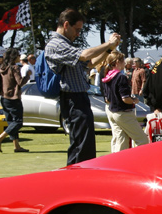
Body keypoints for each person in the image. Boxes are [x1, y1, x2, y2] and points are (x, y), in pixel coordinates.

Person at [44, 9, 120, 164]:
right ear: (66, 25)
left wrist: (109, 49)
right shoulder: (56, 44)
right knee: (81, 143)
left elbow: (90, 62)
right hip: (72, 98)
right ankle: (76, 177)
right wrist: (109, 43)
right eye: (77, 29)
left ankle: (81, 174)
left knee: (84, 141)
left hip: (78, 97)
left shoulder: (65, 44)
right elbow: (85, 56)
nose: (78, 34)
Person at [100, 50, 149, 152]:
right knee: (142, 140)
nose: (125, 63)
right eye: (123, 61)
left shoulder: (108, 76)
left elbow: (107, 99)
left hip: (112, 111)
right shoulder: (121, 77)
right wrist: (134, 101)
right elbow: (125, 99)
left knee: (121, 141)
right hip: (123, 113)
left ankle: (117, 164)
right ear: (117, 61)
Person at [0, 48, 30, 153]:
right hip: (13, 97)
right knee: (18, 122)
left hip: (4, 97)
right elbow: (20, 82)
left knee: (11, 122)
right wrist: (27, 75)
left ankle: (16, 146)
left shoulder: (2, 67)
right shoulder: (14, 68)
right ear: (14, 57)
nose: (19, 56)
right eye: (18, 55)